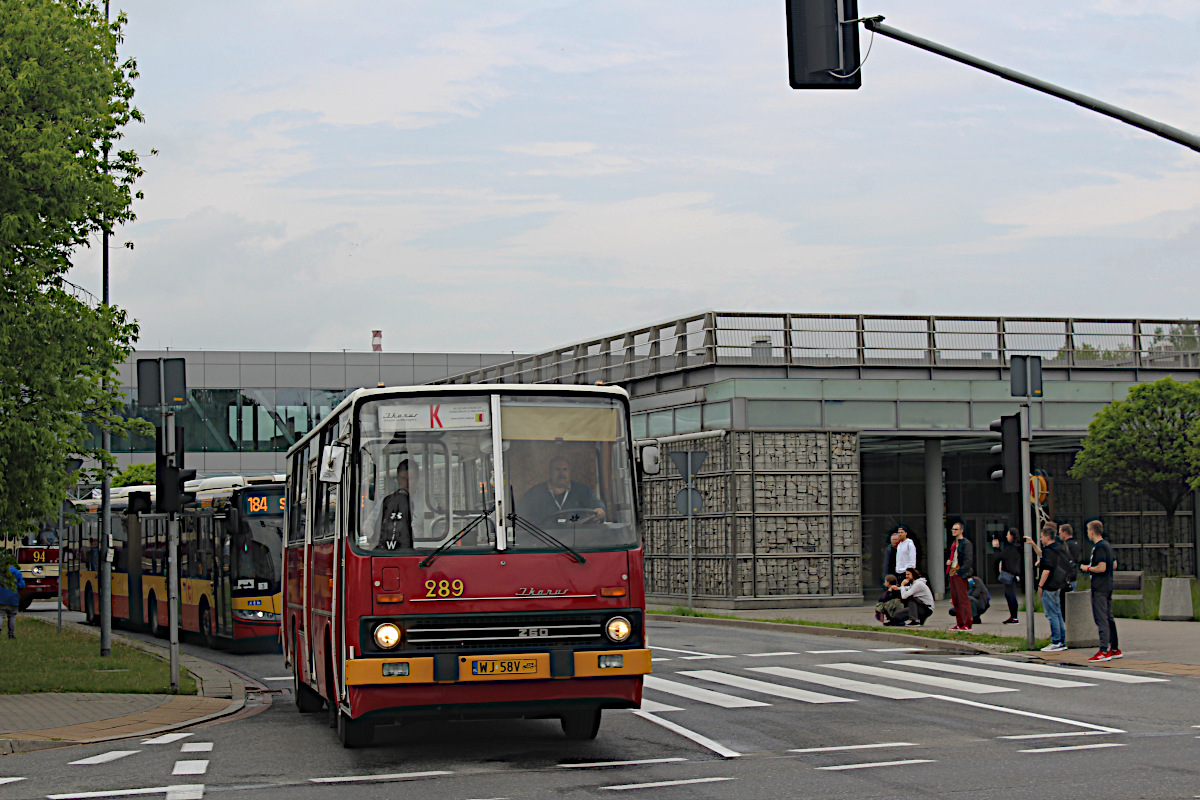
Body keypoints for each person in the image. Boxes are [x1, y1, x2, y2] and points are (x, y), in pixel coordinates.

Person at [516, 456, 605, 525]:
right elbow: (519, 514)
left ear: (569, 472)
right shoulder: (535, 493)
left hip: (577, 541)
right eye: (557, 469)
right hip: (543, 540)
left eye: (565, 469)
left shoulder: (582, 490)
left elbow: (598, 507)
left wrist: (600, 511)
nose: (561, 473)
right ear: (550, 472)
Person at [1080, 520, 1121, 661]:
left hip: (1099, 587)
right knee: (1109, 617)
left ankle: (1103, 650)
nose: (1087, 534)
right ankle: (1115, 648)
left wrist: (1088, 568)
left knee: (1101, 617)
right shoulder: (1108, 545)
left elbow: (1102, 567)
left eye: (1087, 531)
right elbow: (1114, 565)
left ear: (1092, 531)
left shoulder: (1099, 547)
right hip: (1108, 585)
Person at [1035, 525, 1069, 652]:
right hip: (1057, 583)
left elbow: (1046, 570)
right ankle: (1062, 640)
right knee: (1058, 613)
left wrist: (1040, 585)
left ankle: (1056, 641)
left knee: (1051, 614)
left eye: (1042, 536)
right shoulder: (1058, 548)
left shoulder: (1048, 551)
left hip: (1049, 585)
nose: (1041, 539)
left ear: (1048, 537)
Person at [379, 459, 419, 549]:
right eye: (403, 478)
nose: (407, 483)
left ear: (417, 479)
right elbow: (368, 526)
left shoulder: (429, 503)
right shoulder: (388, 501)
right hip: (393, 551)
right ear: (397, 479)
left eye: (411, 478)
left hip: (423, 551)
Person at [946, 521, 974, 631]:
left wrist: (960, 571)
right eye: (953, 529)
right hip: (952, 572)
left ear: (961, 531)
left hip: (959, 573)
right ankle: (959, 623)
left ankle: (967, 623)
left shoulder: (966, 543)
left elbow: (968, 560)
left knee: (963, 599)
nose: (954, 531)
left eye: (956, 529)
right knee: (956, 600)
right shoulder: (954, 544)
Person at [991, 527, 1022, 624]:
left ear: (1012, 536)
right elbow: (1003, 556)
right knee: (1008, 594)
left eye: (1008, 534)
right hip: (1012, 573)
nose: (1006, 536)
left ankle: (1014, 617)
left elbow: (1000, 556)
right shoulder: (1015, 547)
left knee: (1010, 595)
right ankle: (1013, 616)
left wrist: (995, 547)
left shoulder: (1011, 547)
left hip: (1010, 573)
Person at [1057, 523, 1081, 609]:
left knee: (1064, 605)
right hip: (1074, 575)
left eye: (1060, 533)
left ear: (1065, 533)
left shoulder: (1065, 545)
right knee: (1072, 604)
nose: (1059, 535)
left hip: (1066, 577)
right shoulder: (1076, 544)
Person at [0, 558, 25, 640]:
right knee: (12, 616)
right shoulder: (17, 573)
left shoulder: (1, 572)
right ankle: (11, 634)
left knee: (1, 615)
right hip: (13, 599)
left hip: (1, 598)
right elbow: (21, 585)